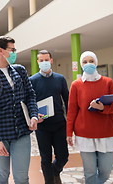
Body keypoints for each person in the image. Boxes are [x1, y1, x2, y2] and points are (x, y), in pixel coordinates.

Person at [0, 36, 38, 184]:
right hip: (0, 134)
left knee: (22, 177)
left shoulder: (19, 70)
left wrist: (34, 115)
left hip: (22, 131)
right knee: (2, 175)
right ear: (0, 50)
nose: (15, 53)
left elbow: (30, 95)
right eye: (12, 50)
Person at [66, 51, 113, 184]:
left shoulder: (108, 82)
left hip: (106, 132)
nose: (88, 64)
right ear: (80, 64)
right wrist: (69, 133)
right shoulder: (76, 85)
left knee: (105, 171)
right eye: (85, 62)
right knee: (89, 173)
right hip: (84, 133)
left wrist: (102, 108)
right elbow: (72, 110)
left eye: (91, 61)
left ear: (96, 62)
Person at [29, 50, 69, 184]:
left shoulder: (60, 79)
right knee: (45, 158)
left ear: (51, 60)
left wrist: (70, 120)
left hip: (59, 124)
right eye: (41, 60)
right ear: (37, 62)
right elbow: (28, 102)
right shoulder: (32, 81)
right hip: (42, 126)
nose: (44, 62)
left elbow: (67, 100)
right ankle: (50, 181)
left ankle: (55, 171)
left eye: (46, 60)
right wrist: (33, 115)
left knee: (63, 156)